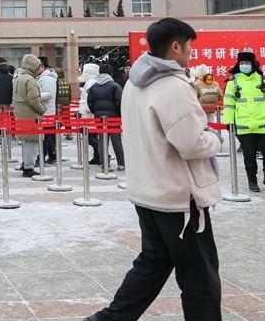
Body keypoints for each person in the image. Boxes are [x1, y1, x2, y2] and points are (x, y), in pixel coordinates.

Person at [85, 18, 222, 321]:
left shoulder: (134, 83)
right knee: (200, 278)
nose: (191, 53)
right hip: (178, 197)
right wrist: (214, 137)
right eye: (189, 47)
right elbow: (191, 143)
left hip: (147, 191)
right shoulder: (173, 87)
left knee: (152, 264)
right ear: (175, 47)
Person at [223, 51, 265, 192]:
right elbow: (229, 104)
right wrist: (229, 122)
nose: (244, 65)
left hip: (264, 124)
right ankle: (252, 181)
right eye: (242, 63)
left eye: (247, 63)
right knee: (249, 156)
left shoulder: (264, 80)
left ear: (253, 64)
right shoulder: (233, 82)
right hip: (244, 125)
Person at [87, 64, 125, 171]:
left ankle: (104, 164)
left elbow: (90, 103)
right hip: (114, 118)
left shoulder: (94, 87)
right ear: (111, 73)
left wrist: (96, 112)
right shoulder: (115, 86)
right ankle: (121, 163)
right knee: (116, 141)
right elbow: (120, 103)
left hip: (99, 118)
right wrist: (119, 115)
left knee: (102, 141)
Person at [14, 54, 46, 178]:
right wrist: (42, 110)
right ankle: (29, 167)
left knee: (26, 142)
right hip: (31, 115)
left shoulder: (19, 78)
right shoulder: (31, 80)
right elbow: (34, 100)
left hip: (21, 114)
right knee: (32, 143)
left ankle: (25, 163)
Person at [78, 62, 101, 163]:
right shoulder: (93, 81)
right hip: (89, 112)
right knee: (92, 135)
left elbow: (88, 99)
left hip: (88, 113)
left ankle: (101, 152)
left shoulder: (90, 83)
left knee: (88, 135)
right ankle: (97, 156)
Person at [37, 56, 58, 164]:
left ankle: (41, 156)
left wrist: (35, 96)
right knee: (48, 135)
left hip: (47, 110)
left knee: (45, 135)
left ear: (42, 66)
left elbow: (49, 94)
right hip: (47, 110)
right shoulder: (44, 77)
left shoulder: (46, 78)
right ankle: (52, 154)